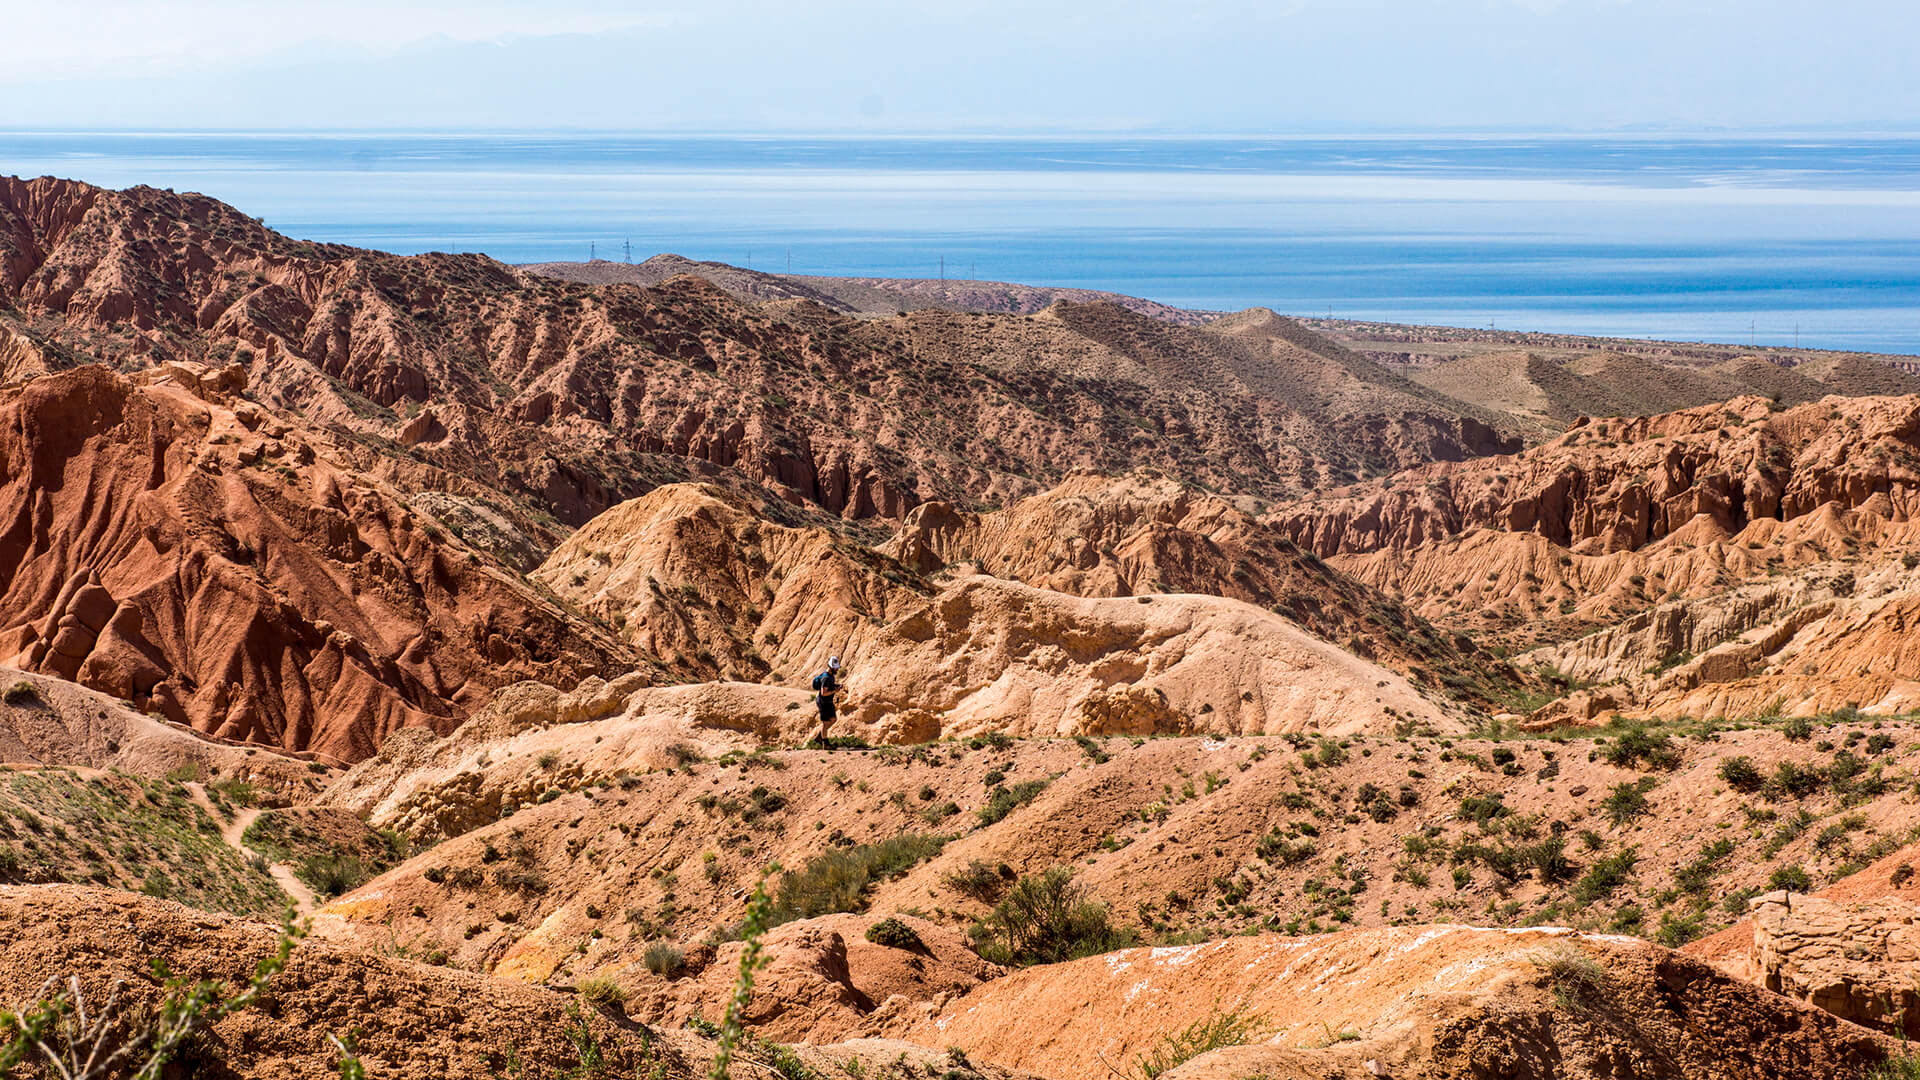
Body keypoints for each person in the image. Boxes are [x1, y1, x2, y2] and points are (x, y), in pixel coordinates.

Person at [810, 655, 842, 748]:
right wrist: (835, 691)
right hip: (823, 702)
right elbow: (824, 693)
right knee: (826, 723)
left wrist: (836, 686)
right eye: (836, 668)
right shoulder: (826, 678)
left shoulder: (830, 676)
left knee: (833, 719)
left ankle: (820, 737)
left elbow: (828, 686)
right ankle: (825, 743)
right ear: (831, 668)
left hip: (828, 701)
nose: (837, 670)